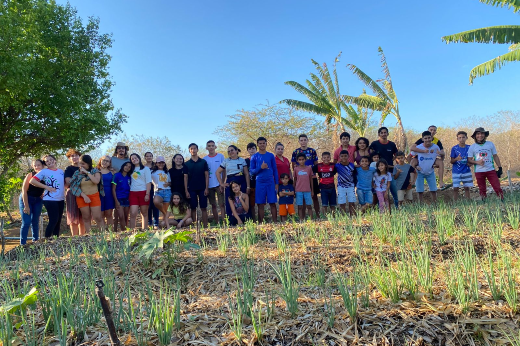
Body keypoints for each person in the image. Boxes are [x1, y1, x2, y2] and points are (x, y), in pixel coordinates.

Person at [30, 155, 65, 238]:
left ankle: (55, 240)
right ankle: (47, 240)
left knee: (58, 221)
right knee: (53, 220)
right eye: (47, 161)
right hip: (50, 199)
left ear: (55, 160)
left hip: (60, 199)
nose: (49, 162)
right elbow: (32, 181)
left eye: (51, 160)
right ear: (45, 164)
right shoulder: (44, 171)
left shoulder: (61, 171)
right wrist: (46, 187)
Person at [69, 155, 103, 233]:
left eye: (83, 164)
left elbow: (96, 181)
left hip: (94, 196)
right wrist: (84, 196)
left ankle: (103, 235)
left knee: (97, 217)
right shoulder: (77, 173)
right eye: (80, 164)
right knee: (86, 218)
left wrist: (87, 173)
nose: (81, 166)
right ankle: (89, 236)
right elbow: (74, 187)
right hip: (82, 197)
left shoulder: (95, 171)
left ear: (88, 163)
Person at [467, 127, 504, 201]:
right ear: (475, 136)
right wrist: (477, 162)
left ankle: (502, 200)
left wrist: (500, 167)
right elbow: (469, 160)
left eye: (482, 133)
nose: (480, 135)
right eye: (478, 134)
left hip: (490, 169)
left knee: (497, 186)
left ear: (485, 135)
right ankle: (484, 201)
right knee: (482, 188)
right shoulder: (472, 147)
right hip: (479, 171)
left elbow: (495, 156)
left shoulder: (490, 144)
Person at [216, 145, 250, 222]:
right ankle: (232, 220)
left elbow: (246, 174)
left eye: (232, 150)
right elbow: (217, 172)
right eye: (229, 151)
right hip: (230, 181)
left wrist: (248, 186)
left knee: (243, 199)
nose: (230, 152)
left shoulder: (242, 160)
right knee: (230, 201)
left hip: (241, 180)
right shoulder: (226, 161)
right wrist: (221, 183)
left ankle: (246, 219)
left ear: (236, 151)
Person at [249, 137, 278, 223]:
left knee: (272, 203)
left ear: (266, 144)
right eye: (260, 143)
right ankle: (261, 223)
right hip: (260, 182)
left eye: (263, 143)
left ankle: (275, 222)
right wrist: (260, 168)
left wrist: (276, 183)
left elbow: (275, 170)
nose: (262, 145)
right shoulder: (254, 157)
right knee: (260, 204)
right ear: (257, 144)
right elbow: (252, 171)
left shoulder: (271, 155)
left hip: (270, 182)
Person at [410, 125, 448, 190]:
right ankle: (411, 181)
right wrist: (423, 151)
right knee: (413, 161)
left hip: (431, 159)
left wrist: (440, 158)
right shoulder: (421, 140)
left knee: (440, 162)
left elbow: (442, 153)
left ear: (436, 132)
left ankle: (441, 182)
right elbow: (412, 148)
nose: (433, 131)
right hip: (420, 158)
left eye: (434, 130)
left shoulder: (437, 142)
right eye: (431, 130)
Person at [369, 127, 398, 208]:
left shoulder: (392, 144)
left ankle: (397, 207)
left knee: (394, 191)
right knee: (380, 193)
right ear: (379, 134)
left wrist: (391, 164)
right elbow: (370, 154)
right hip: (378, 174)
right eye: (381, 133)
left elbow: (396, 155)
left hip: (390, 172)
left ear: (388, 134)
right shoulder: (374, 144)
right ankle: (381, 210)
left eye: (385, 132)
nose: (383, 134)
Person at [291, 134, 319, 218]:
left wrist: (311, 170)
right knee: (301, 198)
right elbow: (293, 166)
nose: (303, 142)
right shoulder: (295, 152)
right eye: (301, 140)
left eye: (304, 140)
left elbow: (316, 165)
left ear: (307, 140)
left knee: (314, 197)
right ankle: (302, 217)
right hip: (301, 179)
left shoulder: (312, 151)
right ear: (299, 141)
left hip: (311, 177)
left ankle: (317, 215)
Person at [19, 159, 45, 244]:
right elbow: (24, 191)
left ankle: (35, 241)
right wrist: (26, 206)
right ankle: (22, 244)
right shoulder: (30, 175)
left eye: (39, 165)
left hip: (38, 200)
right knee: (26, 222)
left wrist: (44, 193)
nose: (37, 167)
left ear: (43, 165)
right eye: (35, 165)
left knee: (35, 221)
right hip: (26, 199)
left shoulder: (46, 175)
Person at [184, 143, 209, 228]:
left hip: (202, 188)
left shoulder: (203, 162)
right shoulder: (186, 164)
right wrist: (186, 191)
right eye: (191, 149)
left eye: (194, 148)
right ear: (189, 150)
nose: (193, 150)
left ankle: (205, 226)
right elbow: (185, 178)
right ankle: (195, 227)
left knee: (203, 208)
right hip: (191, 189)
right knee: (193, 208)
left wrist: (206, 188)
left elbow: (206, 175)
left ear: (197, 150)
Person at [412, 131, 440, 203]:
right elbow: (410, 155)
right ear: (422, 139)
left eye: (429, 138)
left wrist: (437, 164)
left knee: (433, 190)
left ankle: (435, 204)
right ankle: (420, 205)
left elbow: (441, 156)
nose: (427, 140)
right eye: (425, 138)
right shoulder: (418, 147)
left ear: (431, 138)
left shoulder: (436, 147)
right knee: (419, 191)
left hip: (430, 171)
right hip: (419, 172)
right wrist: (415, 166)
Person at [204, 140, 226, 224]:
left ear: (215, 147)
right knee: (213, 205)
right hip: (209, 185)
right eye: (209, 146)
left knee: (222, 204)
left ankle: (224, 222)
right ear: (206, 148)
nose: (211, 147)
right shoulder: (204, 159)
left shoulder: (220, 156)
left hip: (219, 184)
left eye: (212, 145)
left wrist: (222, 183)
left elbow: (224, 170)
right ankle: (217, 222)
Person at [64, 149, 85, 236]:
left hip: (85, 192)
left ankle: (82, 237)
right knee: (73, 216)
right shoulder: (68, 169)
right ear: (69, 158)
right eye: (72, 156)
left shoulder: (85, 167)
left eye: (76, 155)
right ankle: (75, 238)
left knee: (83, 216)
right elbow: (68, 182)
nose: (75, 157)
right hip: (72, 194)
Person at [129, 153, 152, 229]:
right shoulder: (130, 170)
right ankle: (132, 230)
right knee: (133, 213)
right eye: (132, 159)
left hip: (143, 192)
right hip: (133, 192)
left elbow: (148, 182)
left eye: (136, 158)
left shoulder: (145, 169)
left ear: (139, 158)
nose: (134, 159)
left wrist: (147, 194)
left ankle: (144, 229)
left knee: (144, 213)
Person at [450, 131, 473, 201]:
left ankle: (468, 201)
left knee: (467, 188)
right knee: (456, 188)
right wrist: (457, 159)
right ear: (457, 139)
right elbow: (451, 161)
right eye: (460, 137)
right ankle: (455, 202)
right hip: (456, 171)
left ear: (466, 138)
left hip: (466, 170)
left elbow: (473, 158)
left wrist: (471, 163)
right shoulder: (454, 148)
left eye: (463, 137)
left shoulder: (470, 147)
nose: (461, 139)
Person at [151, 156, 171, 229]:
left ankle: (165, 225)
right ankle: (165, 214)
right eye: (159, 162)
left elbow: (170, 182)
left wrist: (168, 184)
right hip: (158, 192)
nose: (161, 164)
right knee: (156, 202)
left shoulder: (167, 172)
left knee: (166, 209)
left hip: (168, 191)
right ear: (156, 163)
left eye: (162, 162)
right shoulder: (152, 172)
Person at [112, 162, 132, 231]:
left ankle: (125, 230)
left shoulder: (129, 177)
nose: (127, 167)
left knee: (126, 216)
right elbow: (113, 189)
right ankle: (123, 232)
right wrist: (116, 201)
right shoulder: (117, 175)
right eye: (126, 165)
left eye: (129, 167)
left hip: (127, 198)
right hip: (119, 198)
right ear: (123, 166)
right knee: (121, 216)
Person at [335, 150, 356, 216]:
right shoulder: (337, 166)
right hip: (341, 186)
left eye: (345, 156)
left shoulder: (352, 166)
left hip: (350, 186)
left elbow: (355, 175)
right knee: (342, 202)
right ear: (339, 157)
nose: (344, 157)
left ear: (348, 156)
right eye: (342, 156)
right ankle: (343, 217)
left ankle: (353, 216)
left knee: (351, 202)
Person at [294, 153, 314, 220]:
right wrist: (294, 190)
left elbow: (311, 179)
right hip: (298, 190)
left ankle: (311, 219)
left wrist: (312, 190)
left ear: (305, 160)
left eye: (303, 159)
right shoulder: (296, 169)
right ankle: (301, 219)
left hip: (307, 190)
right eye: (300, 160)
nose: (301, 161)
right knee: (300, 206)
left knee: (309, 206)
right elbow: (295, 180)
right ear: (297, 160)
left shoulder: (309, 168)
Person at [98, 155, 115, 229]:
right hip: (98, 194)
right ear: (100, 161)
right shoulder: (95, 170)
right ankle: (103, 233)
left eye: (107, 161)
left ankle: (111, 232)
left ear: (109, 163)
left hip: (109, 194)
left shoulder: (112, 172)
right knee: (100, 214)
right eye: (104, 160)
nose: (105, 162)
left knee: (109, 214)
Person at [144, 152, 160, 229]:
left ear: (152, 157)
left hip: (156, 187)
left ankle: (156, 223)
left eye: (150, 156)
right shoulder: (143, 167)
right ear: (145, 158)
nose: (149, 157)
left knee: (155, 205)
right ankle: (149, 222)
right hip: (147, 188)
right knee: (148, 206)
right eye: (147, 156)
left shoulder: (156, 166)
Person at [245, 143, 258, 222]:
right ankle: (253, 220)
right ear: (247, 150)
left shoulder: (260, 159)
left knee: (260, 204)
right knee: (251, 205)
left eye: (253, 148)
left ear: (256, 149)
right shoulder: (246, 161)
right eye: (249, 149)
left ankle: (261, 220)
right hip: (250, 184)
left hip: (259, 184)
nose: (251, 150)